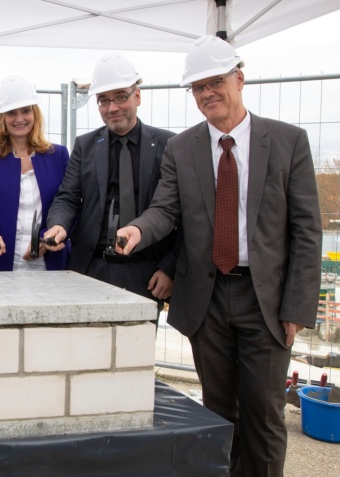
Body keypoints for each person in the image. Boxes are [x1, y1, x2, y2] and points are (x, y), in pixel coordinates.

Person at [116, 36, 322, 476]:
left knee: (264, 414)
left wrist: (297, 307)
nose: (207, 93)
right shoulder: (182, 148)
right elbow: (165, 209)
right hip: (206, 300)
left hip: (265, 302)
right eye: (197, 87)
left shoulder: (288, 142)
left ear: (239, 79)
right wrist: (137, 228)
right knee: (218, 413)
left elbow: (307, 231)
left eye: (215, 82)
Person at [43, 54, 177, 315]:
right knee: (87, 351)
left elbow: (180, 213)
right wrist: (58, 224)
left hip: (147, 273)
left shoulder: (168, 145)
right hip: (91, 270)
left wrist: (169, 268)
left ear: (137, 96)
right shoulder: (85, 146)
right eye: (103, 100)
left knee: (136, 353)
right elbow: (68, 197)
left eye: (120, 97)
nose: (112, 107)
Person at [0, 75, 70, 272]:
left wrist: (48, 235)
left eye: (26, 111)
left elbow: (69, 205)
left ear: (35, 114)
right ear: (2, 118)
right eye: (11, 113)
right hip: (0, 262)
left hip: (49, 264)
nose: (19, 119)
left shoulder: (58, 155)